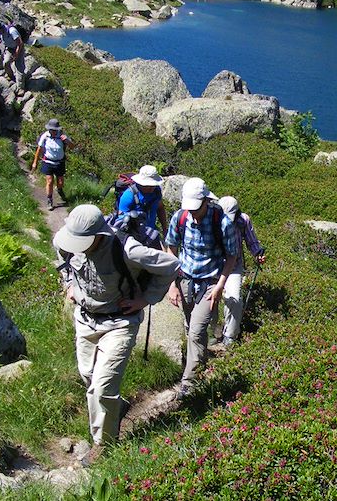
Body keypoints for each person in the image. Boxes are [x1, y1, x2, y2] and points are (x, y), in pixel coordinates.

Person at [54, 204, 179, 464]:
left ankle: (104, 443)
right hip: (85, 319)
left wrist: (145, 299)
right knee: (89, 377)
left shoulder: (127, 249)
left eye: (82, 241)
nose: (75, 245)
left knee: (103, 386)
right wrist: (68, 283)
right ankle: (116, 408)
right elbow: (62, 257)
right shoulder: (69, 240)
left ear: (99, 235)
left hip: (120, 323)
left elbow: (170, 265)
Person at [165, 178, 238, 397]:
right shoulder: (180, 217)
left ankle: (188, 384)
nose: (193, 214)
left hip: (210, 284)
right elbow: (171, 248)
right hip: (185, 280)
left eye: (196, 209)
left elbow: (232, 257)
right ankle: (200, 360)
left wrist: (220, 286)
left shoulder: (222, 222)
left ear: (206, 200)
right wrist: (172, 284)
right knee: (190, 327)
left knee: (196, 331)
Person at [215, 196, 265, 347]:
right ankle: (210, 332)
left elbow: (251, 240)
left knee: (235, 298)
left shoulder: (243, 220)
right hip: (214, 265)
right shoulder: (212, 220)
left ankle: (229, 336)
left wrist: (258, 253)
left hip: (234, 265)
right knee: (211, 299)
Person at [32, 119, 72, 211]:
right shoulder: (45, 136)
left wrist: (67, 141)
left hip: (60, 162)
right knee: (49, 181)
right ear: (49, 129)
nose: (53, 132)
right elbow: (39, 149)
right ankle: (49, 199)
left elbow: (72, 146)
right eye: (52, 130)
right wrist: (35, 162)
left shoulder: (62, 136)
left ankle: (59, 190)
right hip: (48, 162)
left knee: (60, 182)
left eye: (55, 130)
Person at [117, 165, 169, 234]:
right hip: (134, 236)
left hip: (151, 233)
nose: (151, 188)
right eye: (148, 185)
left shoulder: (156, 191)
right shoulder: (129, 195)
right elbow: (120, 220)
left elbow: (160, 208)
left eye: (153, 185)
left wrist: (165, 229)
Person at [0, 20, 25, 91]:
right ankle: (11, 76)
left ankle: (21, 88)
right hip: (10, 48)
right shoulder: (1, 31)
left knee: (19, 67)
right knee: (6, 63)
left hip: (18, 48)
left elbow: (20, 44)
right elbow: (0, 39)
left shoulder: (12, 31)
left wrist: (16, 54)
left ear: (1, 28)